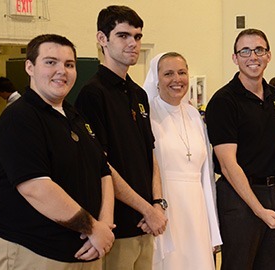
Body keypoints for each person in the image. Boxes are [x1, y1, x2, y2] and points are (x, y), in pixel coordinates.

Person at [0, 34, 115, 269]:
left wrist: (105, 224)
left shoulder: (74, 116)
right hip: (34, 252)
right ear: (30, 67)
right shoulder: (19, 117)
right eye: (50, 62)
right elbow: (36, 187)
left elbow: (103, 170)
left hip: (88, 249)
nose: (61, 71)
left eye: (69, 64)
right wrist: (93, 228)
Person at [75, 6, 167, 270]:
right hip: (118, 226)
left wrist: (157, 205)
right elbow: (100, 165)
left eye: (137, 37)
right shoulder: (93, 94)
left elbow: (150, 154)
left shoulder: (138, 94)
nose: (133, 44)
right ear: (102, 39)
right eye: (123, 35)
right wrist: (147, 210)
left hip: (147, 224)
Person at [205, 28, 275, 270]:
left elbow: (269, 146)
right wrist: (259, 210)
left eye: (259, 50)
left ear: (269, 55)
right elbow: (227, 164)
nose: (253, 56)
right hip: (240, 198)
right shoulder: (224, 101)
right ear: (235, 58)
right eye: (245, 51)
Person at [142, 52, 222, 269]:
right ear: (156, 79)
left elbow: (205, 173)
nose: (176, 79)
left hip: (196, 207)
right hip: (167, 204)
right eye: (168, 73)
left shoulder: (194, 115)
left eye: (182, 72)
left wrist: (212, 228)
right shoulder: (148, 115)